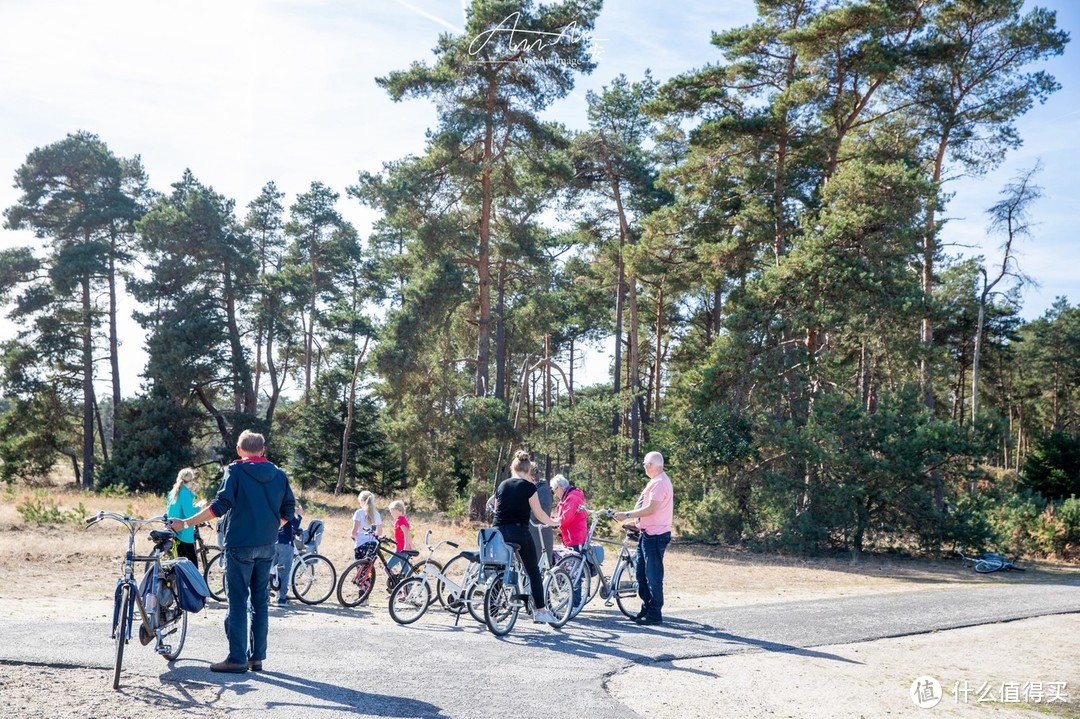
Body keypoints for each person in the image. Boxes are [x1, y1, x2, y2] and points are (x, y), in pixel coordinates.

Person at [168, 429, 295, 673]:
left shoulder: (235, 471)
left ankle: (237, 658)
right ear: (263, 450)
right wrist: (270, 527)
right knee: (260, 601)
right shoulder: (279, 474)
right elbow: (288, 510)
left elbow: (219, 507)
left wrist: (184, 523)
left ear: (239, 450)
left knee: (237, 602)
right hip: (267, 545)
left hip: (239, 544)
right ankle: (256, 658)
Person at [491, 450, 561, 624]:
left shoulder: (502, 485)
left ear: (513, 468)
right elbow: (540, 515)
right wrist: (554, 522)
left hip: (497, 532)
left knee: (501, 569)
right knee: (533, 571)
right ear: (528, 470)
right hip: (519, 533)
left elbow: (497, 508)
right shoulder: (530, 487)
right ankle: (540, 610)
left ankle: (492, 614)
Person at [614, 451, 673, 626]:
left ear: (653, 465)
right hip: (646, 533)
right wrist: (635, 521)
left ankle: (655, 613)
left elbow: (650, 509)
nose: (644, 467)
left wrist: (627, 515)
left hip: (655, 536)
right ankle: (647, 607)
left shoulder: (660, 483)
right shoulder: (656, 482)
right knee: (641, 573)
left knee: (653, 576)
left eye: (646, 464)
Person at [550, 473, 588, 607]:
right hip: (571, 537)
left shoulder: (572, 498)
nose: (554, 494)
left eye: (554, 490)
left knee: (574, 570)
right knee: (571, 568)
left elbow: (566, 519)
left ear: (560, 487)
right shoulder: (568, 497)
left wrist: (550, 522)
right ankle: (572, 600)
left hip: (576, 538)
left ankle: (575, 602)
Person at [166, 468, 200, 567]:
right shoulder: (185, 492)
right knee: (192, 563)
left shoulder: (173, 491)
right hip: (184, 531)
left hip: (173, 529)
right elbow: (189, 513)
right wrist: (199, 507)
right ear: (190, 481)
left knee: (179, 561)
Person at [274, 501, 303, 606]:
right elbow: (296, 524)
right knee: (284, 572)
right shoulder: (287, 509)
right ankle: (281, 599)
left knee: (268, 571)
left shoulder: (272, 506)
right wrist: (299, 514)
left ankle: (265, 596)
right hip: (285, 543)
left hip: (271, 542)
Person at [529, 464, 554, 567]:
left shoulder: (543, 490)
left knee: (540, 567)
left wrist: (525, 512)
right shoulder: (532, 488)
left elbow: (544, 510)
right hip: (531, 533)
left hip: (540, 534)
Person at [386, 500, 412, 576]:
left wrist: (406, 546)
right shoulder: (404, 519)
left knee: (387, 568)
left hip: (402, 549)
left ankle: (395, 584)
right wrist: (410, 546)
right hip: (403, 549)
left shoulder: (400, 520)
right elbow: (407, 534)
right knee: (406, 571)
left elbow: (406, 532)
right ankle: (408, 586)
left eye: (391, 511)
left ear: (397, 510)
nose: (391, 513)